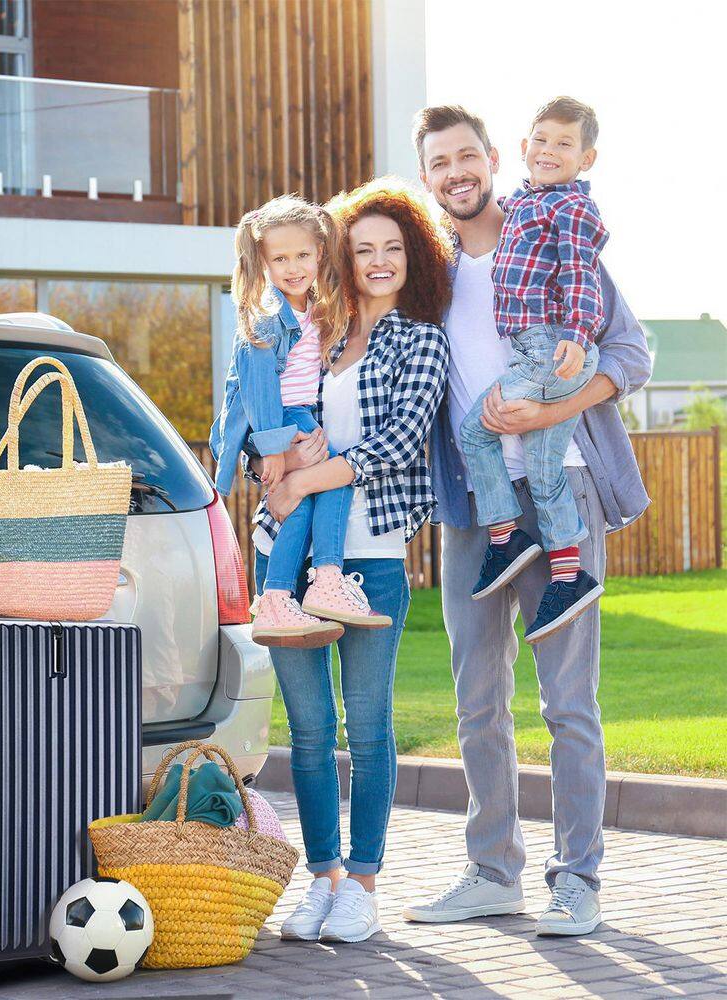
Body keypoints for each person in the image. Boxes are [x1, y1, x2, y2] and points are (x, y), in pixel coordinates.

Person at [405, 105, 651, 936]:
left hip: (565, 493)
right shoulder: (429, 276)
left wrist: (559, 409)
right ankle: (491, 872)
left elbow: (632, 352)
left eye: (466, 155)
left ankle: (576, 879)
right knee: (478, 702)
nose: (456, 172)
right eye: (439, 163)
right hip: (476, 508)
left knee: (567, 705)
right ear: (429, 177)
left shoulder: (545, 235)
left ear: (491, 159)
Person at [247, 180, 451, 942]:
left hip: (371, 557)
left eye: (391, 247)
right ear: (341, 255)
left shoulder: (421, 338)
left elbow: (398, 445)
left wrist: (304, 478)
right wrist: (269, 469)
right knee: (305, 730)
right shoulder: (311, 330)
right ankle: (322, 879)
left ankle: (363, 881)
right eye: (362, 247)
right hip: (287, 555)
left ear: (414, 254)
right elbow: (265, 419)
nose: (376, 260)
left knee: (366, 727)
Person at [210, 194, 391, 649]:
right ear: (262, 262)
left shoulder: (309, 309)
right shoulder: (268, 317)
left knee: (304, 502)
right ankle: (326, 576)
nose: (293, 267)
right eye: (280, 258)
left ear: (320, 254)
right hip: (282, 419)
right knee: (335, 478)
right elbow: (256, 388)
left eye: (303, 255)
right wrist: (272, 445)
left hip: (295, 418)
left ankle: (275, 598)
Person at [460, 97, 609, 644]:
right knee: (544, 476)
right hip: (539, 347)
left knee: (476, 432)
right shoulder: (522, 201)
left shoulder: (571, 208)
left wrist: (577, 331)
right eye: (541, 140)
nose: (549, 151)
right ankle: (569, 575)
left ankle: (506, 536)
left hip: (549, 349)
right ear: (522, 147)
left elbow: (581, 271)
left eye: (564, 144)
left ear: (585, 158)